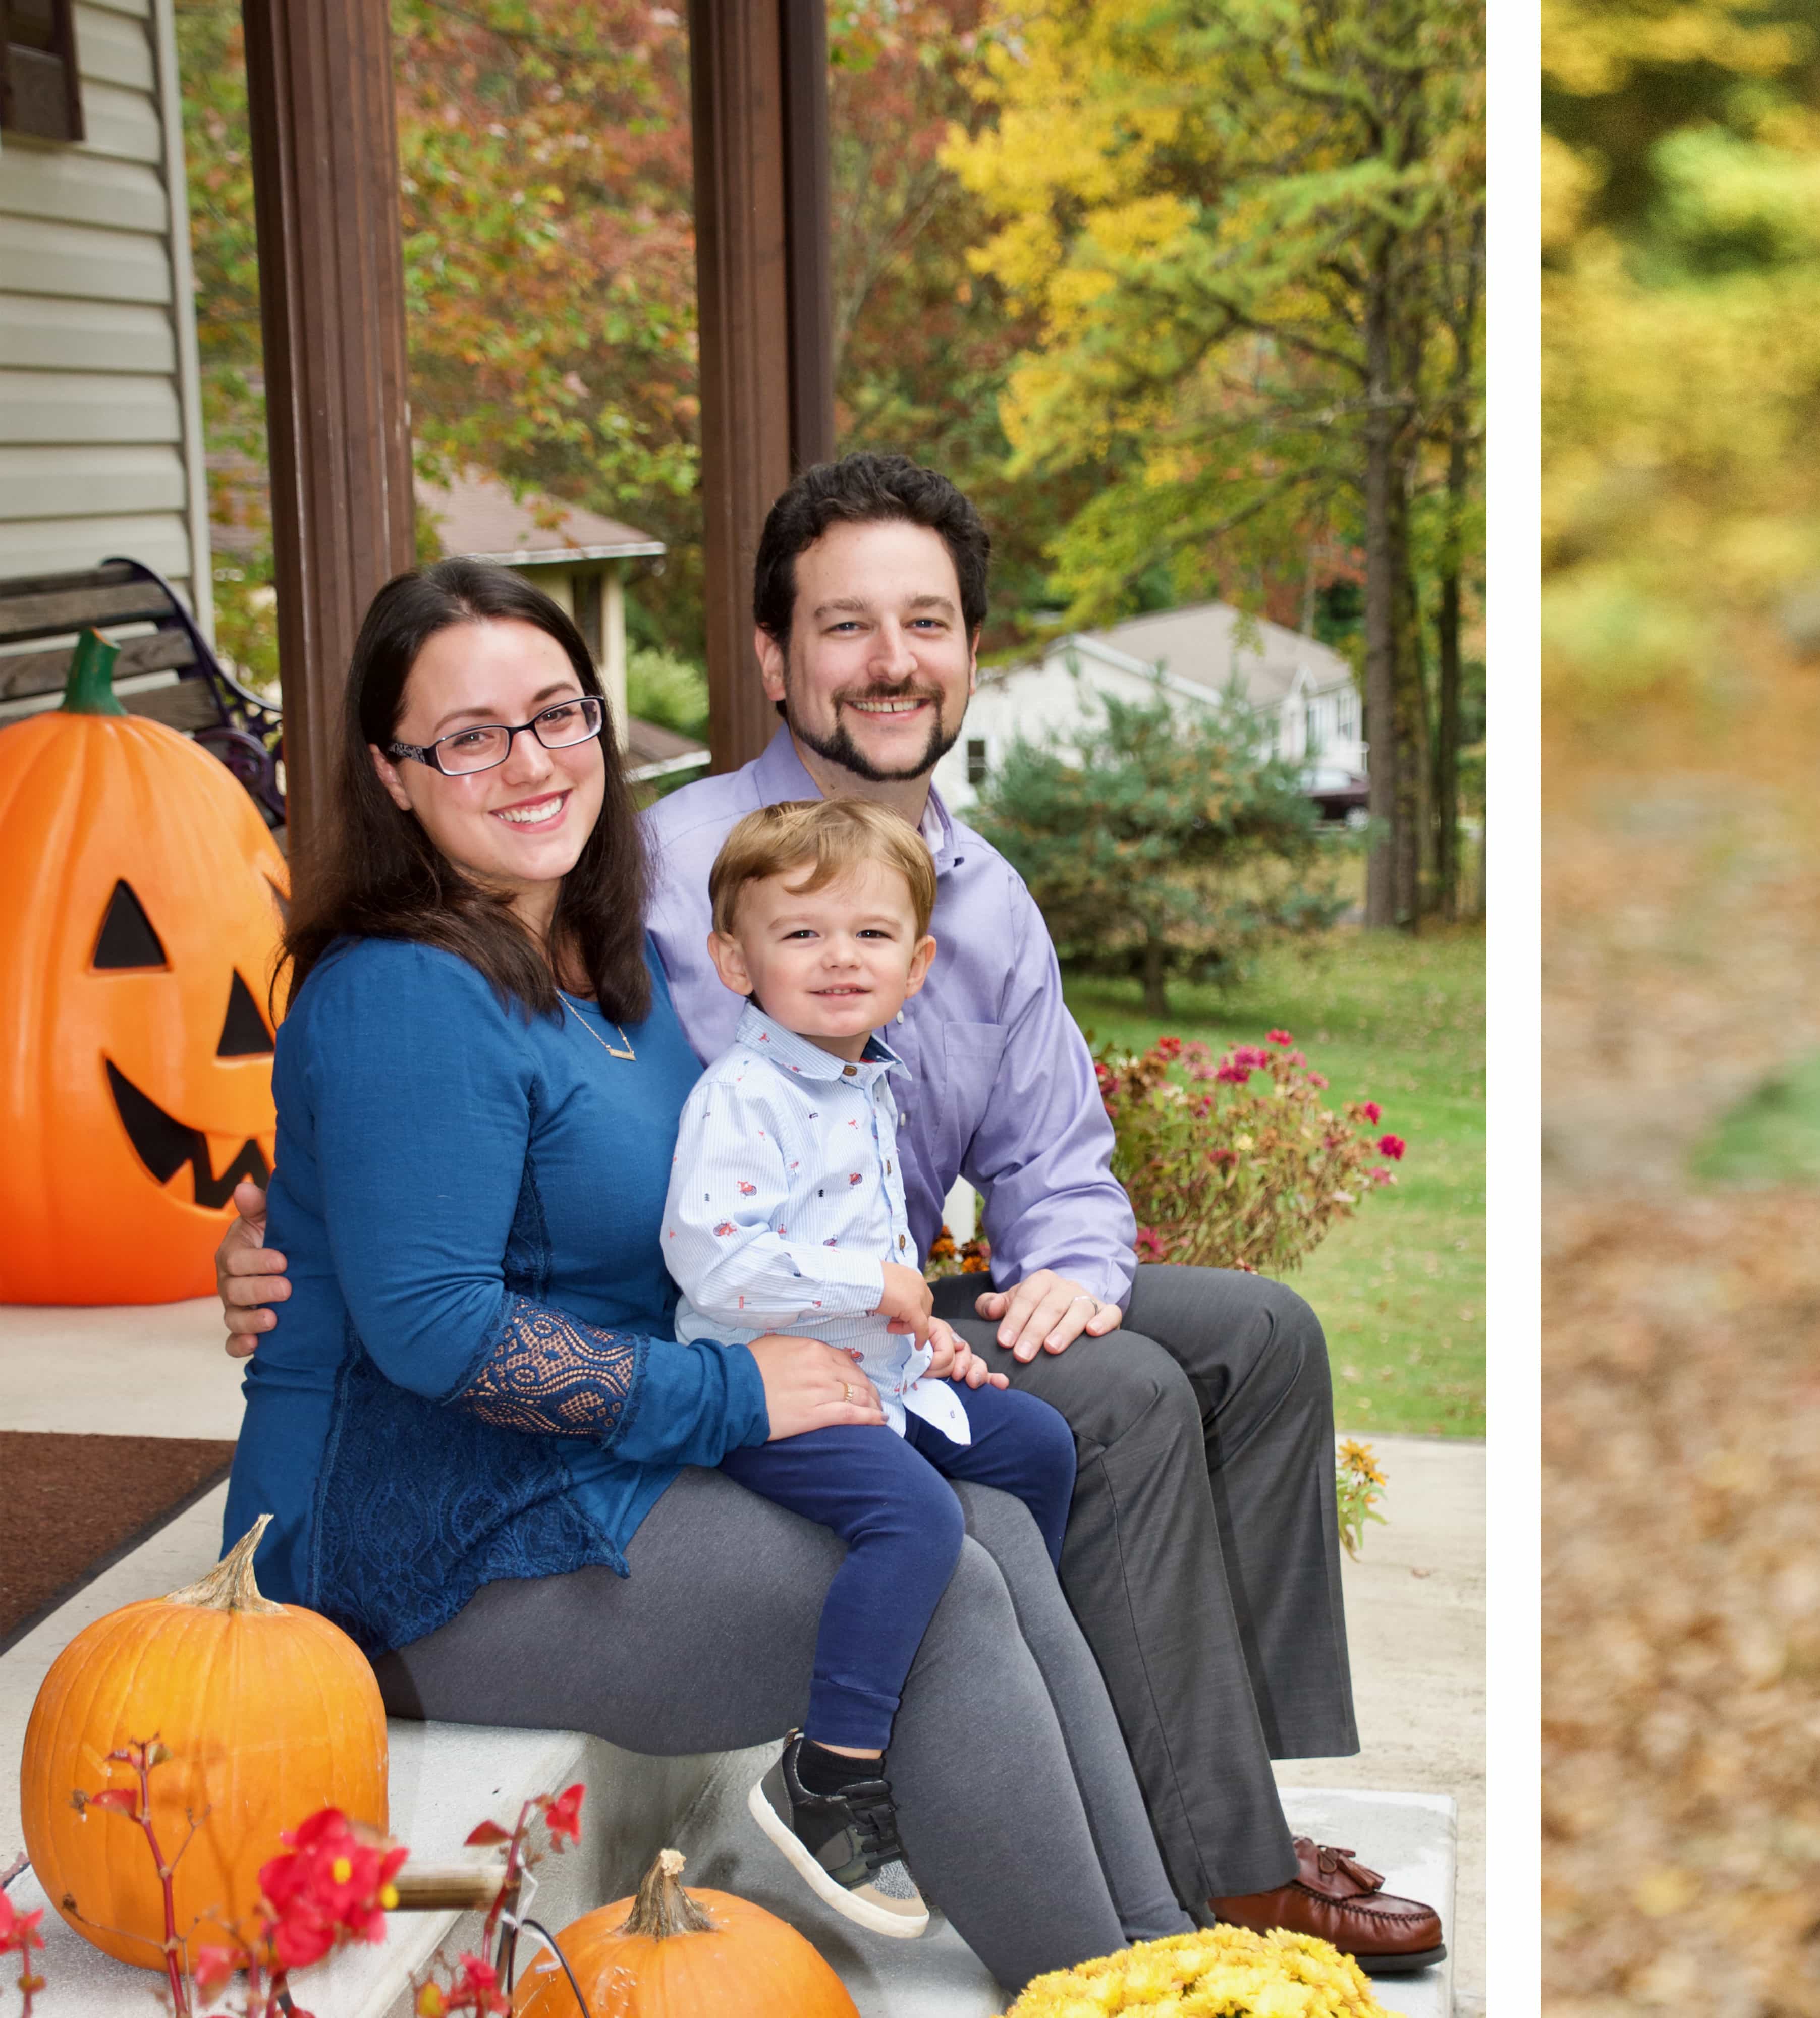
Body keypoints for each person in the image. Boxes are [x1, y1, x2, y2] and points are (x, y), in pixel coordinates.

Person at [219, 453, 1442, 1971]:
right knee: (941, 1586)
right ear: (394, 773)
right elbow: (431, 1318)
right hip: (431, 1535)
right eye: (468, 737)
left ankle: (1164, 1949)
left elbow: (456, 1186)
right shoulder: (416, 983)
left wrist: (867, 1339)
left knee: (985, 1514)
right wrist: (737, 1388)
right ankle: (1111, 1973)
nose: (529, 761)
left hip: (620, 1438)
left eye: (556, 715)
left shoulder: (602, 965)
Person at [667, 796, 1085, 1940]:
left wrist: (926, 1329)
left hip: (879, 1374)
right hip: (768, 1393)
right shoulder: (743, 1096)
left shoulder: (864, 1080)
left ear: (918, 964)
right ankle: (833, 1767)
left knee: (1038, 1443)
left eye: (871, 934)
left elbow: (876, 1244)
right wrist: (879, 1286)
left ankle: (1000, 1663)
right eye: (801, 934)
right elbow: (713, 1256)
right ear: (735, 961)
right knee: (912, 1516)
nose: (840, 958)